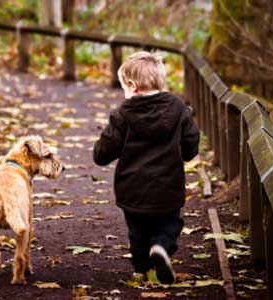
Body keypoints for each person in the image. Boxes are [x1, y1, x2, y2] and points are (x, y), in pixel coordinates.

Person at [93, 51, 200, 284]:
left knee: (137, 229)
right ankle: (161, 247)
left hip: (132, 188)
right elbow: (191, 143)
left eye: (123, 87)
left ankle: (141, 270)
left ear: (132, 86)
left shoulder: (123, 114)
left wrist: (99, 152)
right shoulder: (179, 108)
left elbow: (104, 152)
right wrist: (184, 153)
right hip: (168, 185)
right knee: (169, 223)